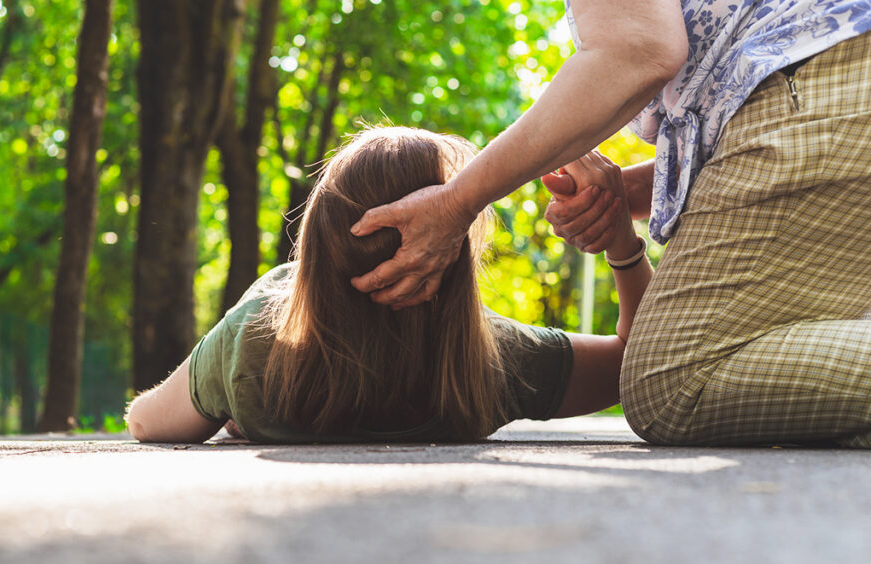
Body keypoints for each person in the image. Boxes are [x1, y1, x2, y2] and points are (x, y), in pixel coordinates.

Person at [349, 1, 871, 447]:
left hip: (819, 78)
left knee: (673, 386)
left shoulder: (271, 346)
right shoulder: (498, 364)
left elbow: (637, 49)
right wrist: (621, 206)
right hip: (838, 75)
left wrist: (458, 202)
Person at [125, 126, 651, 443]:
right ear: (451, 257)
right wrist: (623, 246)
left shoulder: (255, 343)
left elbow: (146, 423)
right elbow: (639, 363)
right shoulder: (492, 362)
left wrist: (234, 391)